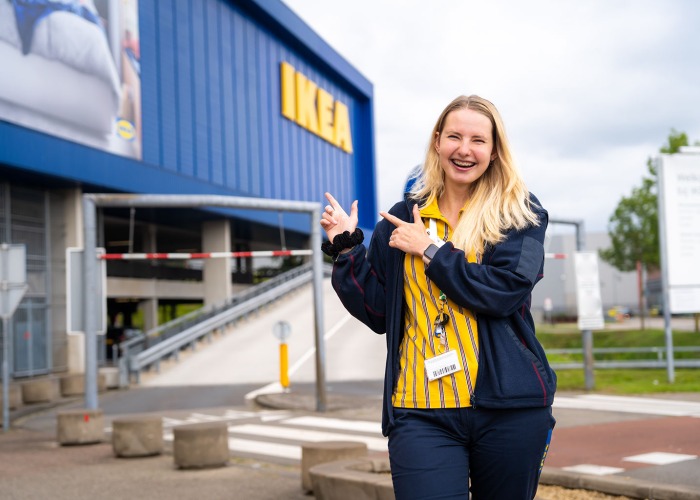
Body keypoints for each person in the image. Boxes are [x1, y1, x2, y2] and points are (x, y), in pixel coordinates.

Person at [320, 95, 557, 499]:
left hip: (509, 409)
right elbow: (378, 311)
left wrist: (430, 250)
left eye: (478, 140)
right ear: (437, 142)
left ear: (495, 149)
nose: (465, 149)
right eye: (454, 137)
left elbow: (503, 292)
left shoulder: (521, 215)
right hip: (419, 407)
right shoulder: (400, 217)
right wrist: (346, 251)